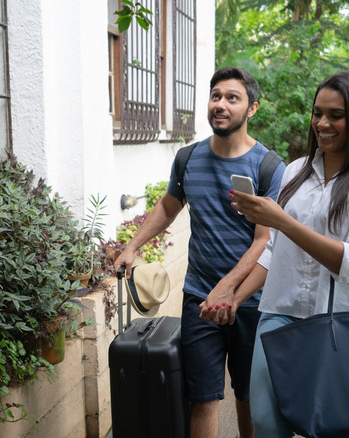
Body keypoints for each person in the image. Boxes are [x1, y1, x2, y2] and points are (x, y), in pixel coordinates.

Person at [202, 70, 349, 436]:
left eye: (335, 115)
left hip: (346, 320)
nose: (322, 124)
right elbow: (275, 253)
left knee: (334, 424)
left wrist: (281, 221)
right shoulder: (296, 171)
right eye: (317, 113)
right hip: (280, 313)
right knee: (267, 420)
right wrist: (232, 296)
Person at [114, 66, 285, 438]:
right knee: (203, 397)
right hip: (200, 300)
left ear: (251, 109)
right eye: (216, 96)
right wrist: (132, 247)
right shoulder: (188, 159)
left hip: (252, 301)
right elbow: (168, 207)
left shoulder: (269, 167)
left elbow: (264, 241)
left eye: (232, 98)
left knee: (248, 396)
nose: (221, 104)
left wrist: (230, 291)